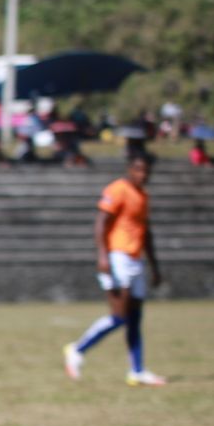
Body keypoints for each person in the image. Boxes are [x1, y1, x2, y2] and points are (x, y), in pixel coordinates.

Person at [64, 154, 166, 386]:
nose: (143, 175)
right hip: (117, 256)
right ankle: (77, 350)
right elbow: (101, 222)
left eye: (147, 171)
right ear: (130, 169)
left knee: (135, 317)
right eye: (139, 170)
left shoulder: (143, 196)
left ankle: (137, 370)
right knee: (120, 316)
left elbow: (146, 233)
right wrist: (103, 256)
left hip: (135, 258)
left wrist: (154, 266)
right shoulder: (118, 189)